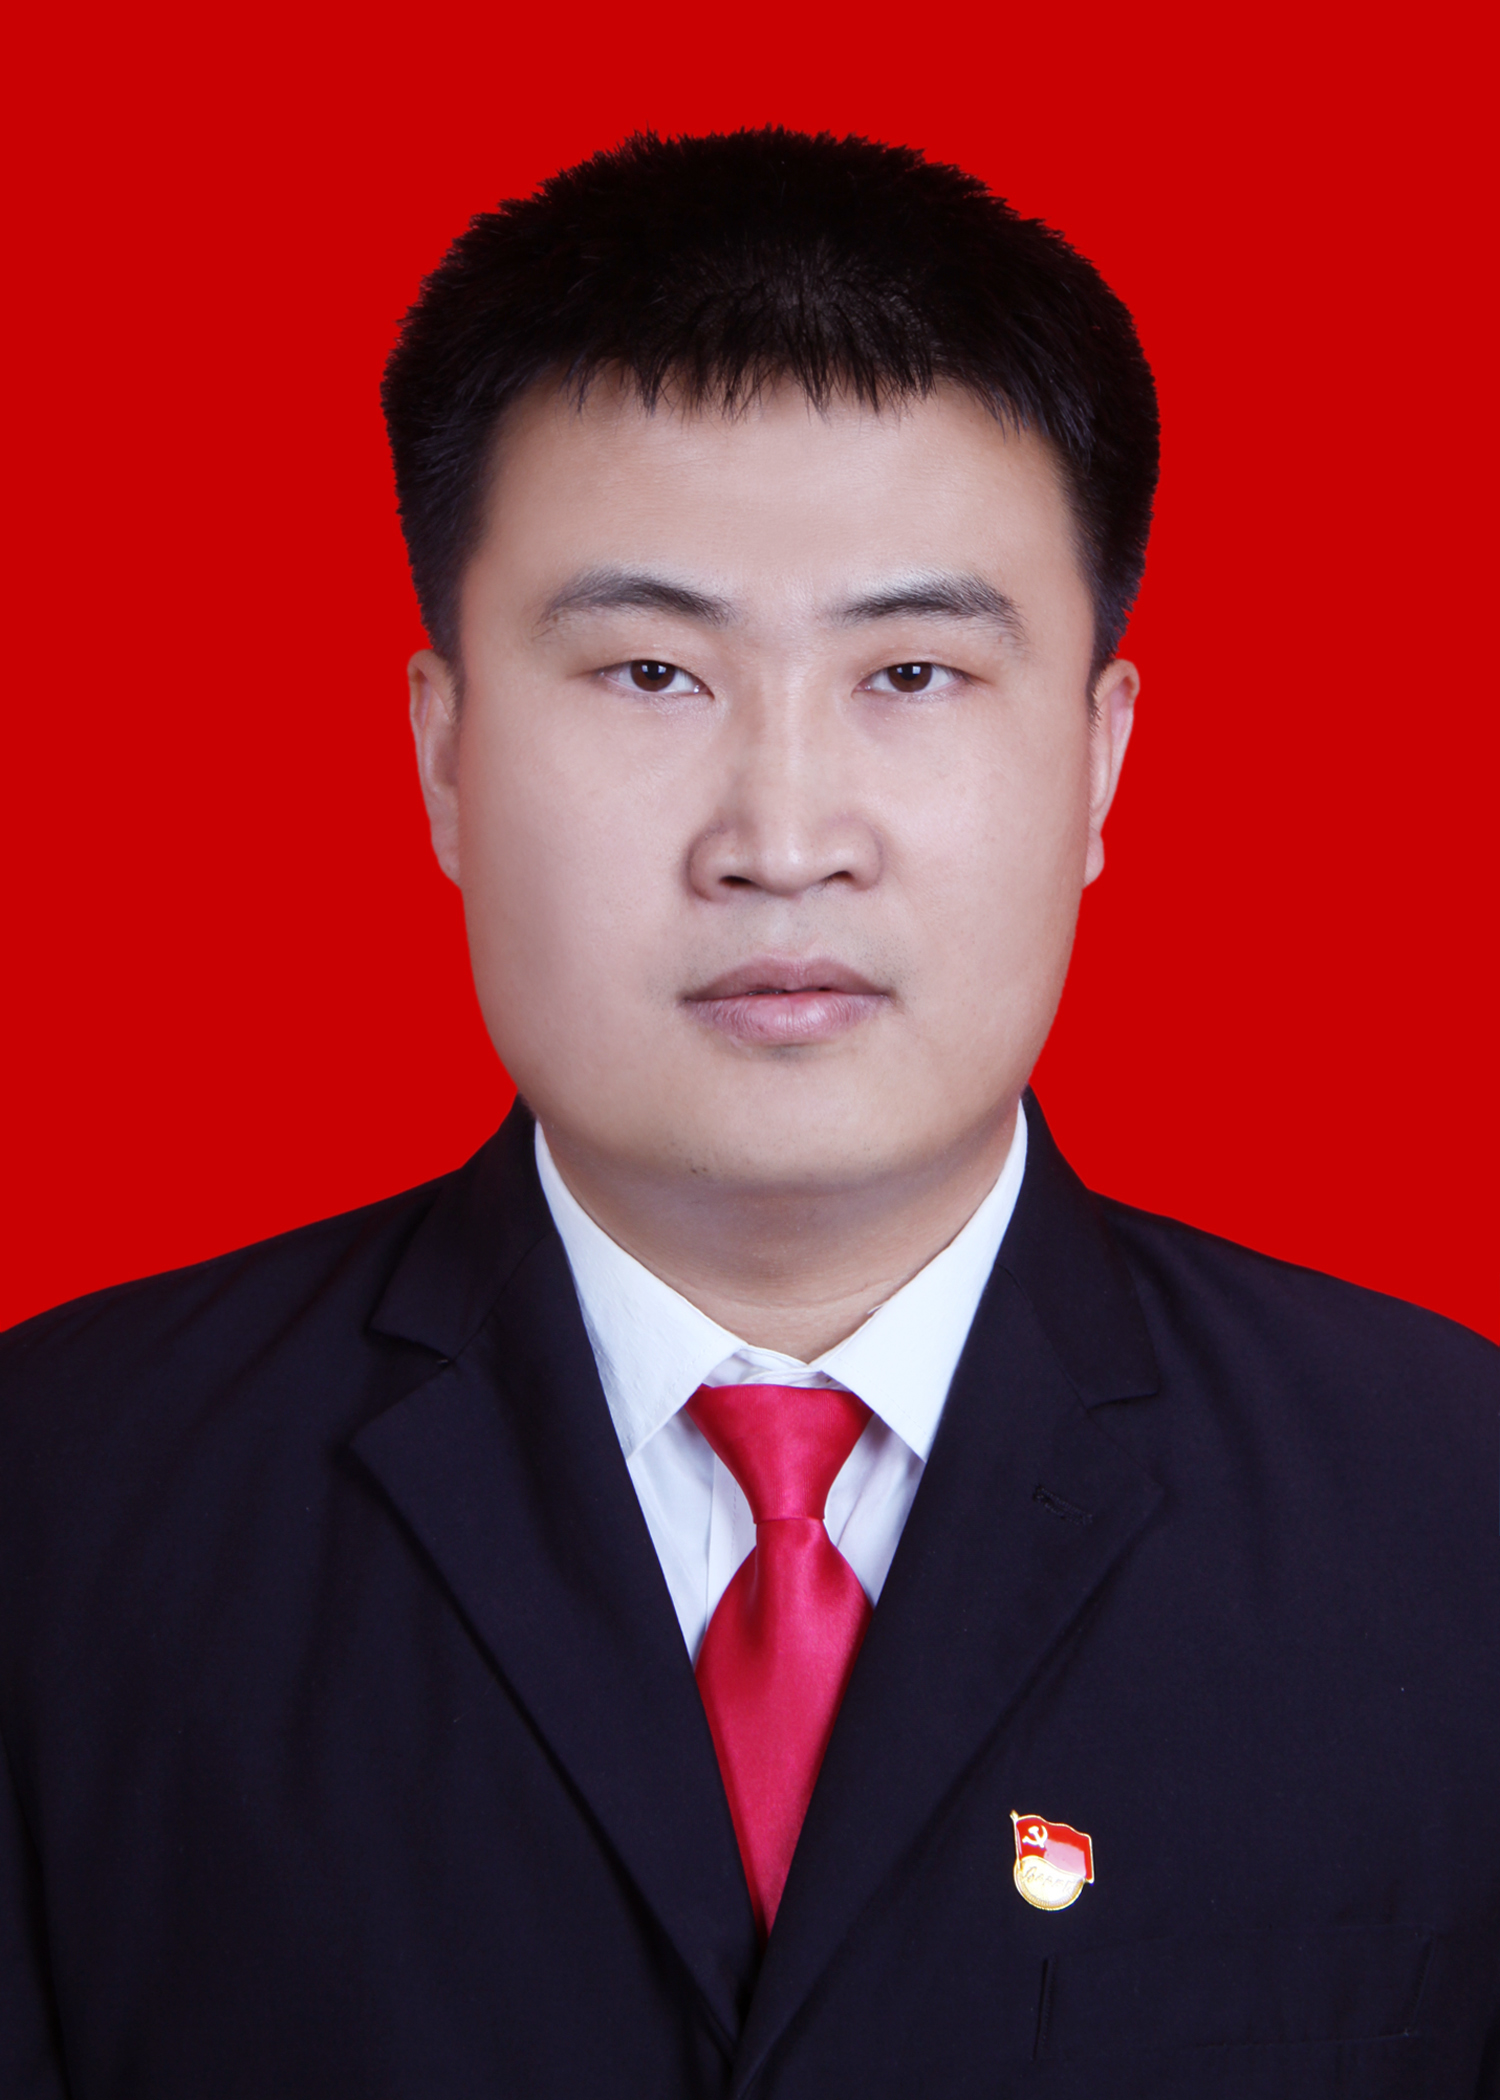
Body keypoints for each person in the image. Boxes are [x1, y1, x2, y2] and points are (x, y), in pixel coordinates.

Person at [1, 127, 1496, 2100]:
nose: (783, 839)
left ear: (1099, 758)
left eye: (913, 671)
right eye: (649, 670)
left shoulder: (1454, 1516)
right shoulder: (59, 1516)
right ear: (445, 758)